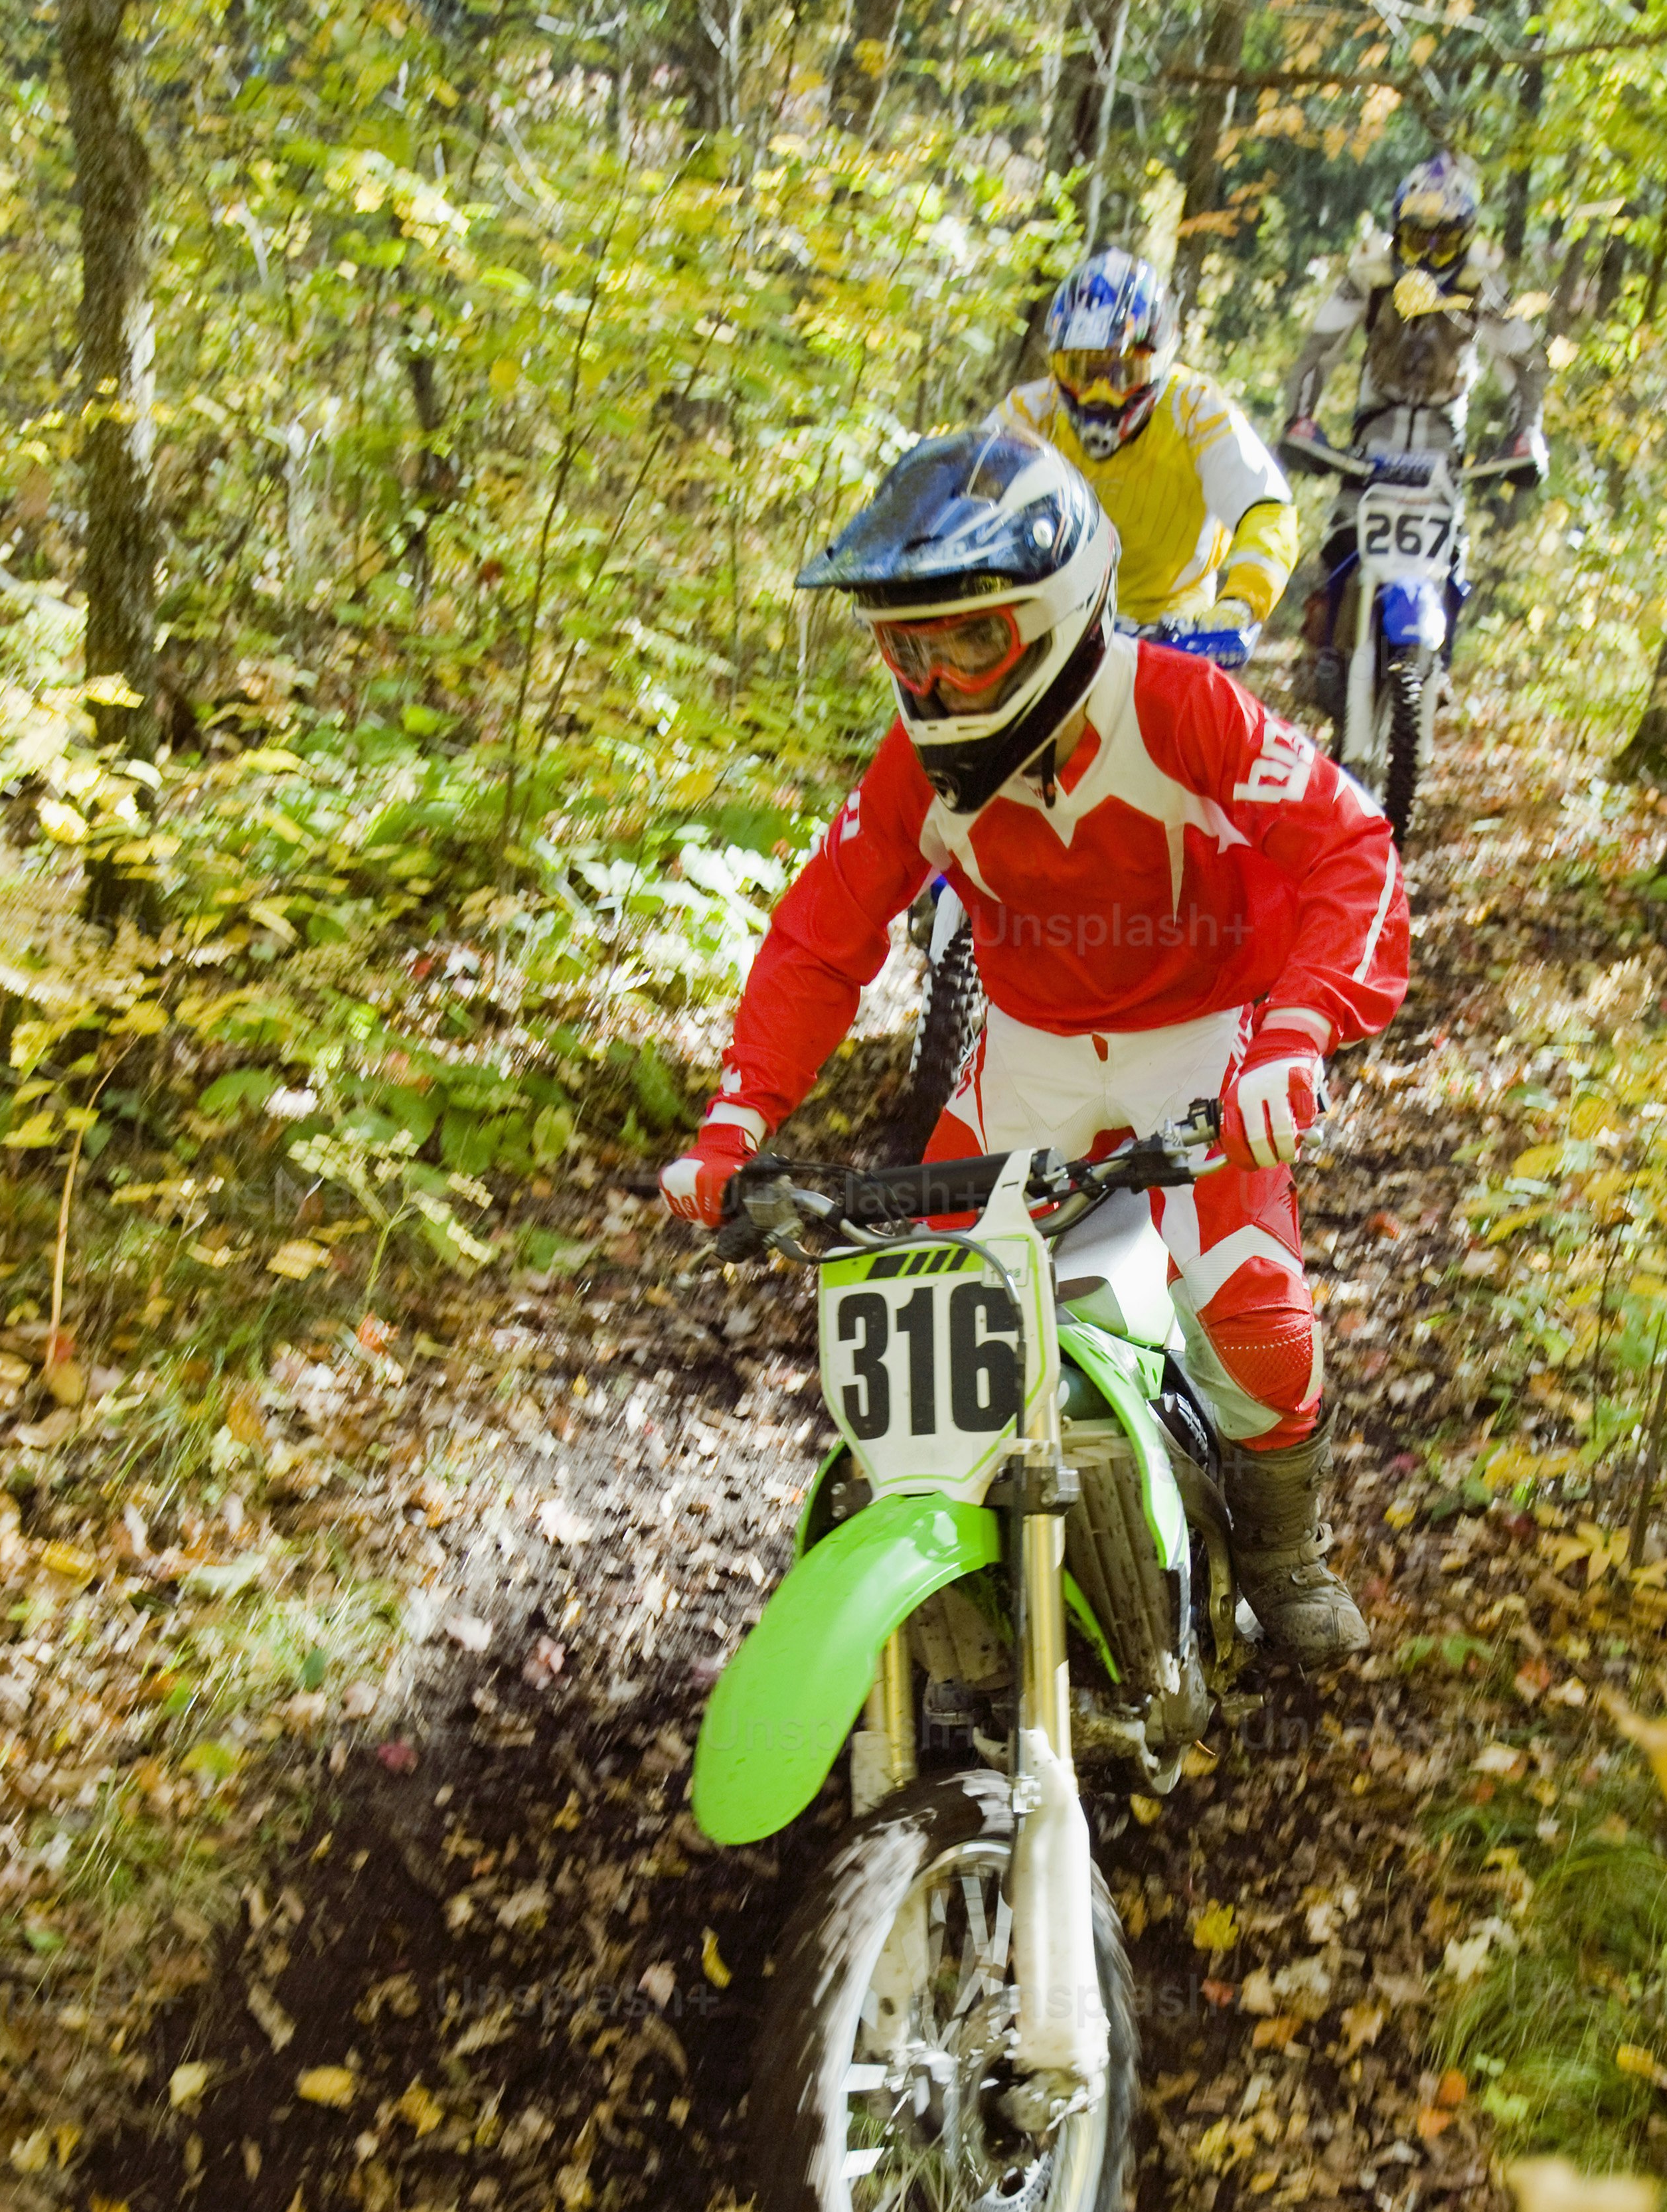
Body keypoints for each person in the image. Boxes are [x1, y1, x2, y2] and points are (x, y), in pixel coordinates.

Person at [659, 425, 1408, 1664]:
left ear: (1055, 614)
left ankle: (1284, 1556)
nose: (939, 678)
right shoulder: (918, 768)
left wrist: (1296, 1031)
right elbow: (819, 932)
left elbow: (1349, 845)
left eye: (970, 640)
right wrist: (738, 1117)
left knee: (1260, 1317)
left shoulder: (1174, 707)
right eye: (910, 647)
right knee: (927, 1305)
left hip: (1202, 1040)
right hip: (1028, 1050)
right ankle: (936, 1559)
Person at [998, 249, 1298, 655]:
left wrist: (1240, 602)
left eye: (1121, 374)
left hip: (1176, 627)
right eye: (1080, 371)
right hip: (1059, 619)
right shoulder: (1029, 412)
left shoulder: (1195, 410)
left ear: (1158, 363)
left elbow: (1267, 506)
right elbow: (960, 495)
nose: (1098, 395)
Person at [1282, 150, 1546, 467]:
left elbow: (1527, 359)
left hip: (1443, 433)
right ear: (1397, 233)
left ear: (1465, 240)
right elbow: (1320, 347)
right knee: (1348, 514)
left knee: (1445, 512)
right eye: (1417, 241)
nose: (1427, 259)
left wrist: (1525, 434)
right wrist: (1299, 419)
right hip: (1375, 421)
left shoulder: (1481, 281)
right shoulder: (1372, 272)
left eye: (1443, 244)